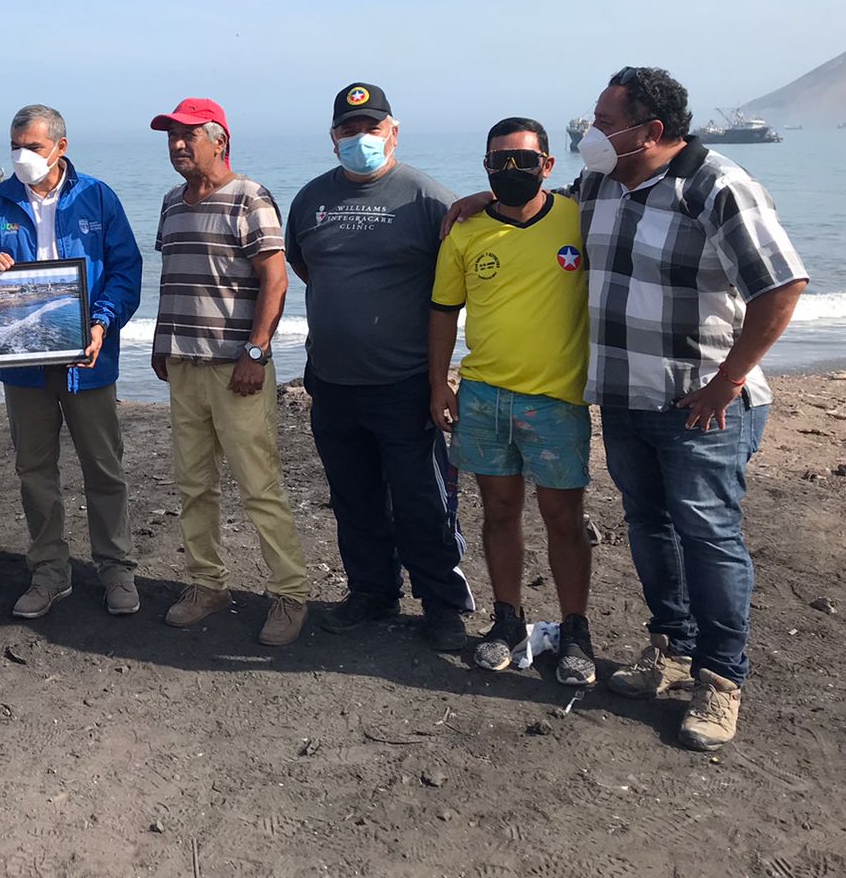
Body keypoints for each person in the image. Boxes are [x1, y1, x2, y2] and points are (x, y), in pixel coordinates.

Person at [447, 67, 808, 750]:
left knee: (708, 537)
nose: (593, 131)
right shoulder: (604, 184)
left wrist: (728, 381)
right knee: (650, 528)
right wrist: (480, 196)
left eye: (606, 121)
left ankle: (720, 680)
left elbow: (781, 286)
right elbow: (538, 204)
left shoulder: (718, 186)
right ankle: (671, 649)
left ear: (653, 131)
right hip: (625, 399)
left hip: (704, 407)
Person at [284, 82, 474, 651]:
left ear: (393, 132)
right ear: (333, 138)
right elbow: (303, 263)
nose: (360, 137)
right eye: (349, 128)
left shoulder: (427, 199)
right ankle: (372, 591)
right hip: (333, 382)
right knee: (354, 495)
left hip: (405, 384)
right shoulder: (311, 199)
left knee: (422, 498)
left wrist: (440, 380)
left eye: (371, 127)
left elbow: (458, 281)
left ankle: (442, 602)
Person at [0, 105, 143, 618]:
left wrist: (101, 322)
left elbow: (126, 269)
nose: (22, 157)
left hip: (89, 360)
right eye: (15, 146)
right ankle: (49, 571)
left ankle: (116, 568)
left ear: (60, 146)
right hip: (23, 365)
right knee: (35, 470)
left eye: (33, 147)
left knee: (104, 466)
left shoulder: (98, 198)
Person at [428, 117, 595, 683]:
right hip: (482, 398)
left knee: (563, 519)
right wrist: (438, 383)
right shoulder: (467, 232)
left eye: (523, 161)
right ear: (486, 168)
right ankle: (507, 621)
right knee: (499, 513)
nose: (510, 171)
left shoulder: (580, 218)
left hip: (557, 402)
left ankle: (576, 630)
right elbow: (443, 313)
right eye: (499, 163)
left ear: (548, 165)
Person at [149, 98, 311, 646]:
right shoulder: (172, 203)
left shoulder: (250, 198)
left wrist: (257, 352)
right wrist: (160, 342)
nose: (177, 145)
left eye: (187, 135)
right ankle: (206, 584)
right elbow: (175, 277)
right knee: (193, 484)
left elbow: (276, 280)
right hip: (184, 364)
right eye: (171, 136)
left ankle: (290, 593)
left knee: (258, 484)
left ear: (220, 140)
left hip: (236, 369)